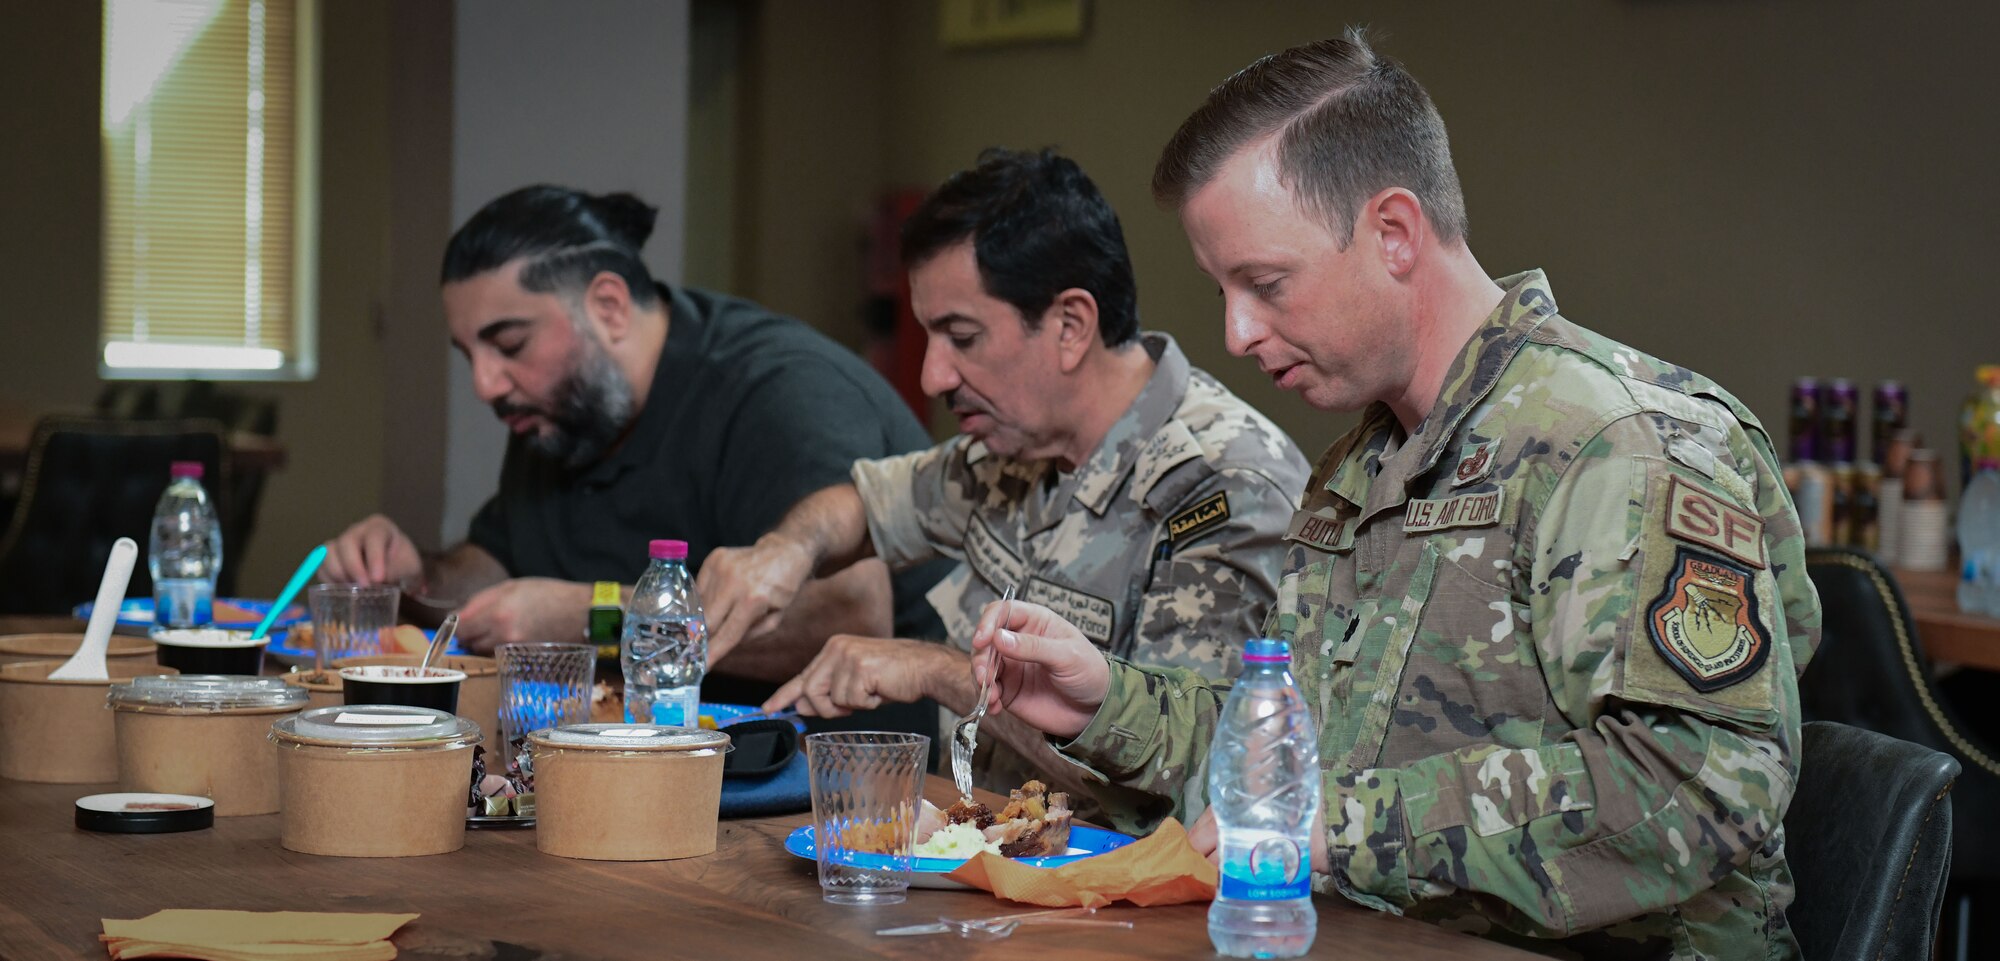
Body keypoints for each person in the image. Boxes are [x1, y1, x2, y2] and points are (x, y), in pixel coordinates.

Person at [967, 32, 1821, 960]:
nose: (1237, 332)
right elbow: (1307, 763)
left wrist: (1345, 827)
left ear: (1395, 234)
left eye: (1265, 284)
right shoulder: (1360, 467)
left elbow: (1701, 786)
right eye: (1225, 289)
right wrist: (1105, 702)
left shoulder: (1614, 446)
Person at [696, 149, 1309, 831]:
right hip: (994, 880)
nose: (933, 375)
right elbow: (865, 503)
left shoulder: (1222, 484)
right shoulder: (1016, 447)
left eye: (961, 337)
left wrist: (937, 670)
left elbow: (1184, 780)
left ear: (1071, 325)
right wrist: (787, 548)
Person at [320, 185, 950, 718]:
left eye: (509, 344)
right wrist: (415, 576)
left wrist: (590, 617)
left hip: (837, 786)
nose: (485, 384)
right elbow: (503, 565)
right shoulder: (562, 407)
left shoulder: (778, 391)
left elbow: (854, 617)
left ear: (609, 307)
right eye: (470, 356)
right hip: (641, 752)